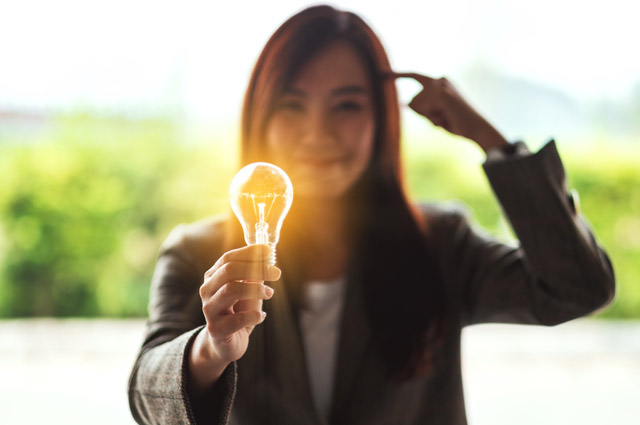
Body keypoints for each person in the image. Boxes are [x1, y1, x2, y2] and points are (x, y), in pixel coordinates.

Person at [128, 5, 615, 425]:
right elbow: (147, 397)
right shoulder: (198, 254)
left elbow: (577, 287)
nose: (317, 133)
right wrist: (211, 349)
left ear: (383, 119)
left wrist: (492, 141)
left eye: (346, 106)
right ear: (260, 116)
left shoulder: (441, 244)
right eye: (293, 106)